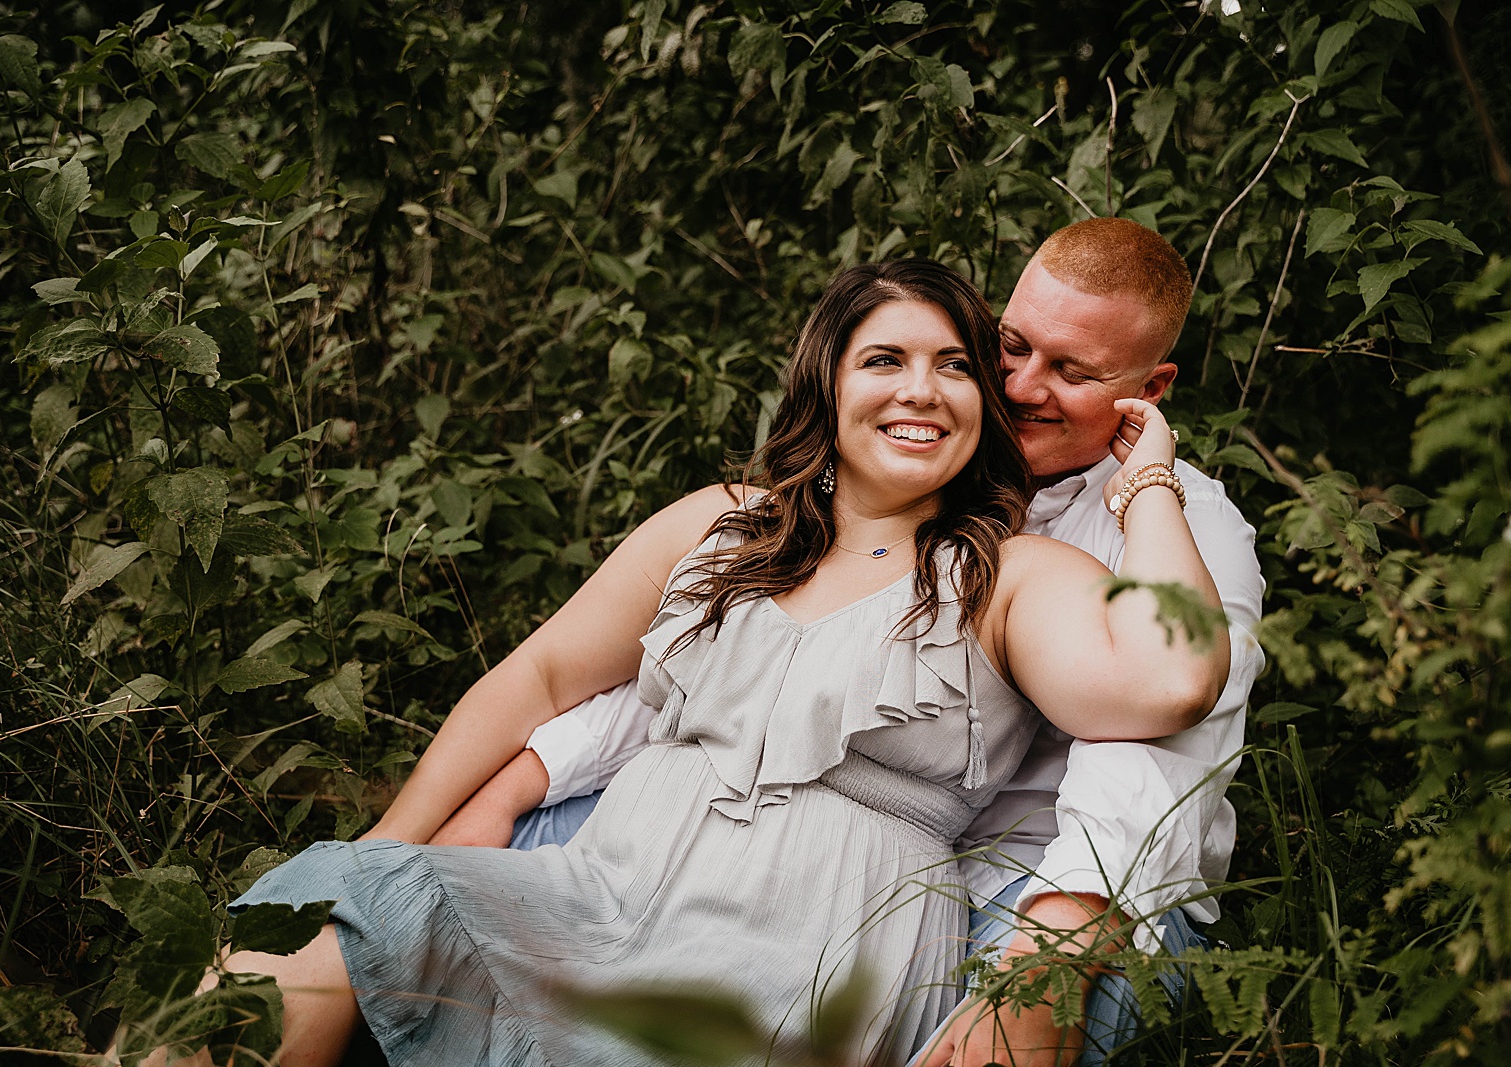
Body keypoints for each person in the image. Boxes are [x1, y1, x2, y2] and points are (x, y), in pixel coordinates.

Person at [223, 256, 1231, 1067]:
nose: (922, 389)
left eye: (955, 365)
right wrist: (385, 851)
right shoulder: (720, 522)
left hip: (809, 945)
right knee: (311, 906)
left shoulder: (1009, 570)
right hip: (605, 888)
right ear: (827, 378)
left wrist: (1147, 478)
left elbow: (1170, 677)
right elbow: (536, 680)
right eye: (884, 359)